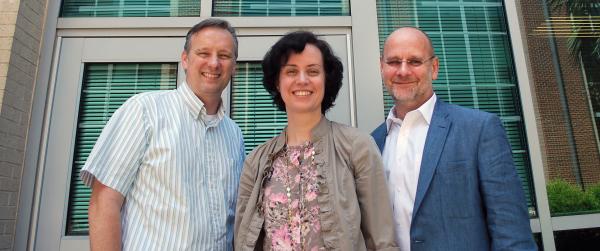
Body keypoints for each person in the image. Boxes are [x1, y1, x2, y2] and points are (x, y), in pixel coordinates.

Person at [81, 18, 245, 251]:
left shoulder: (234, 135)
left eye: (224, 55)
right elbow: (104, 201)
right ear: (185, 60)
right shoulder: (145, 110)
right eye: (204, 53)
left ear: (234, 66)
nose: (214, 63)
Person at [371, 27, 537, 250]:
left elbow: (512, 231)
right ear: (382, 68)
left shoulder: (479, 130)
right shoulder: (373, 142)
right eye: (393, 62)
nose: (403, 71)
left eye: (414, 61)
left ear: (435, 68)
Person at [235, 31, 399, 251]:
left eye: (312, 71)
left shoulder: (356, 147)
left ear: (326, 80)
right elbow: (243, 238)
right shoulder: (256, 161)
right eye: (291, 71)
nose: (302, 80)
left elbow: (382, 241)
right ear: (277, 82)